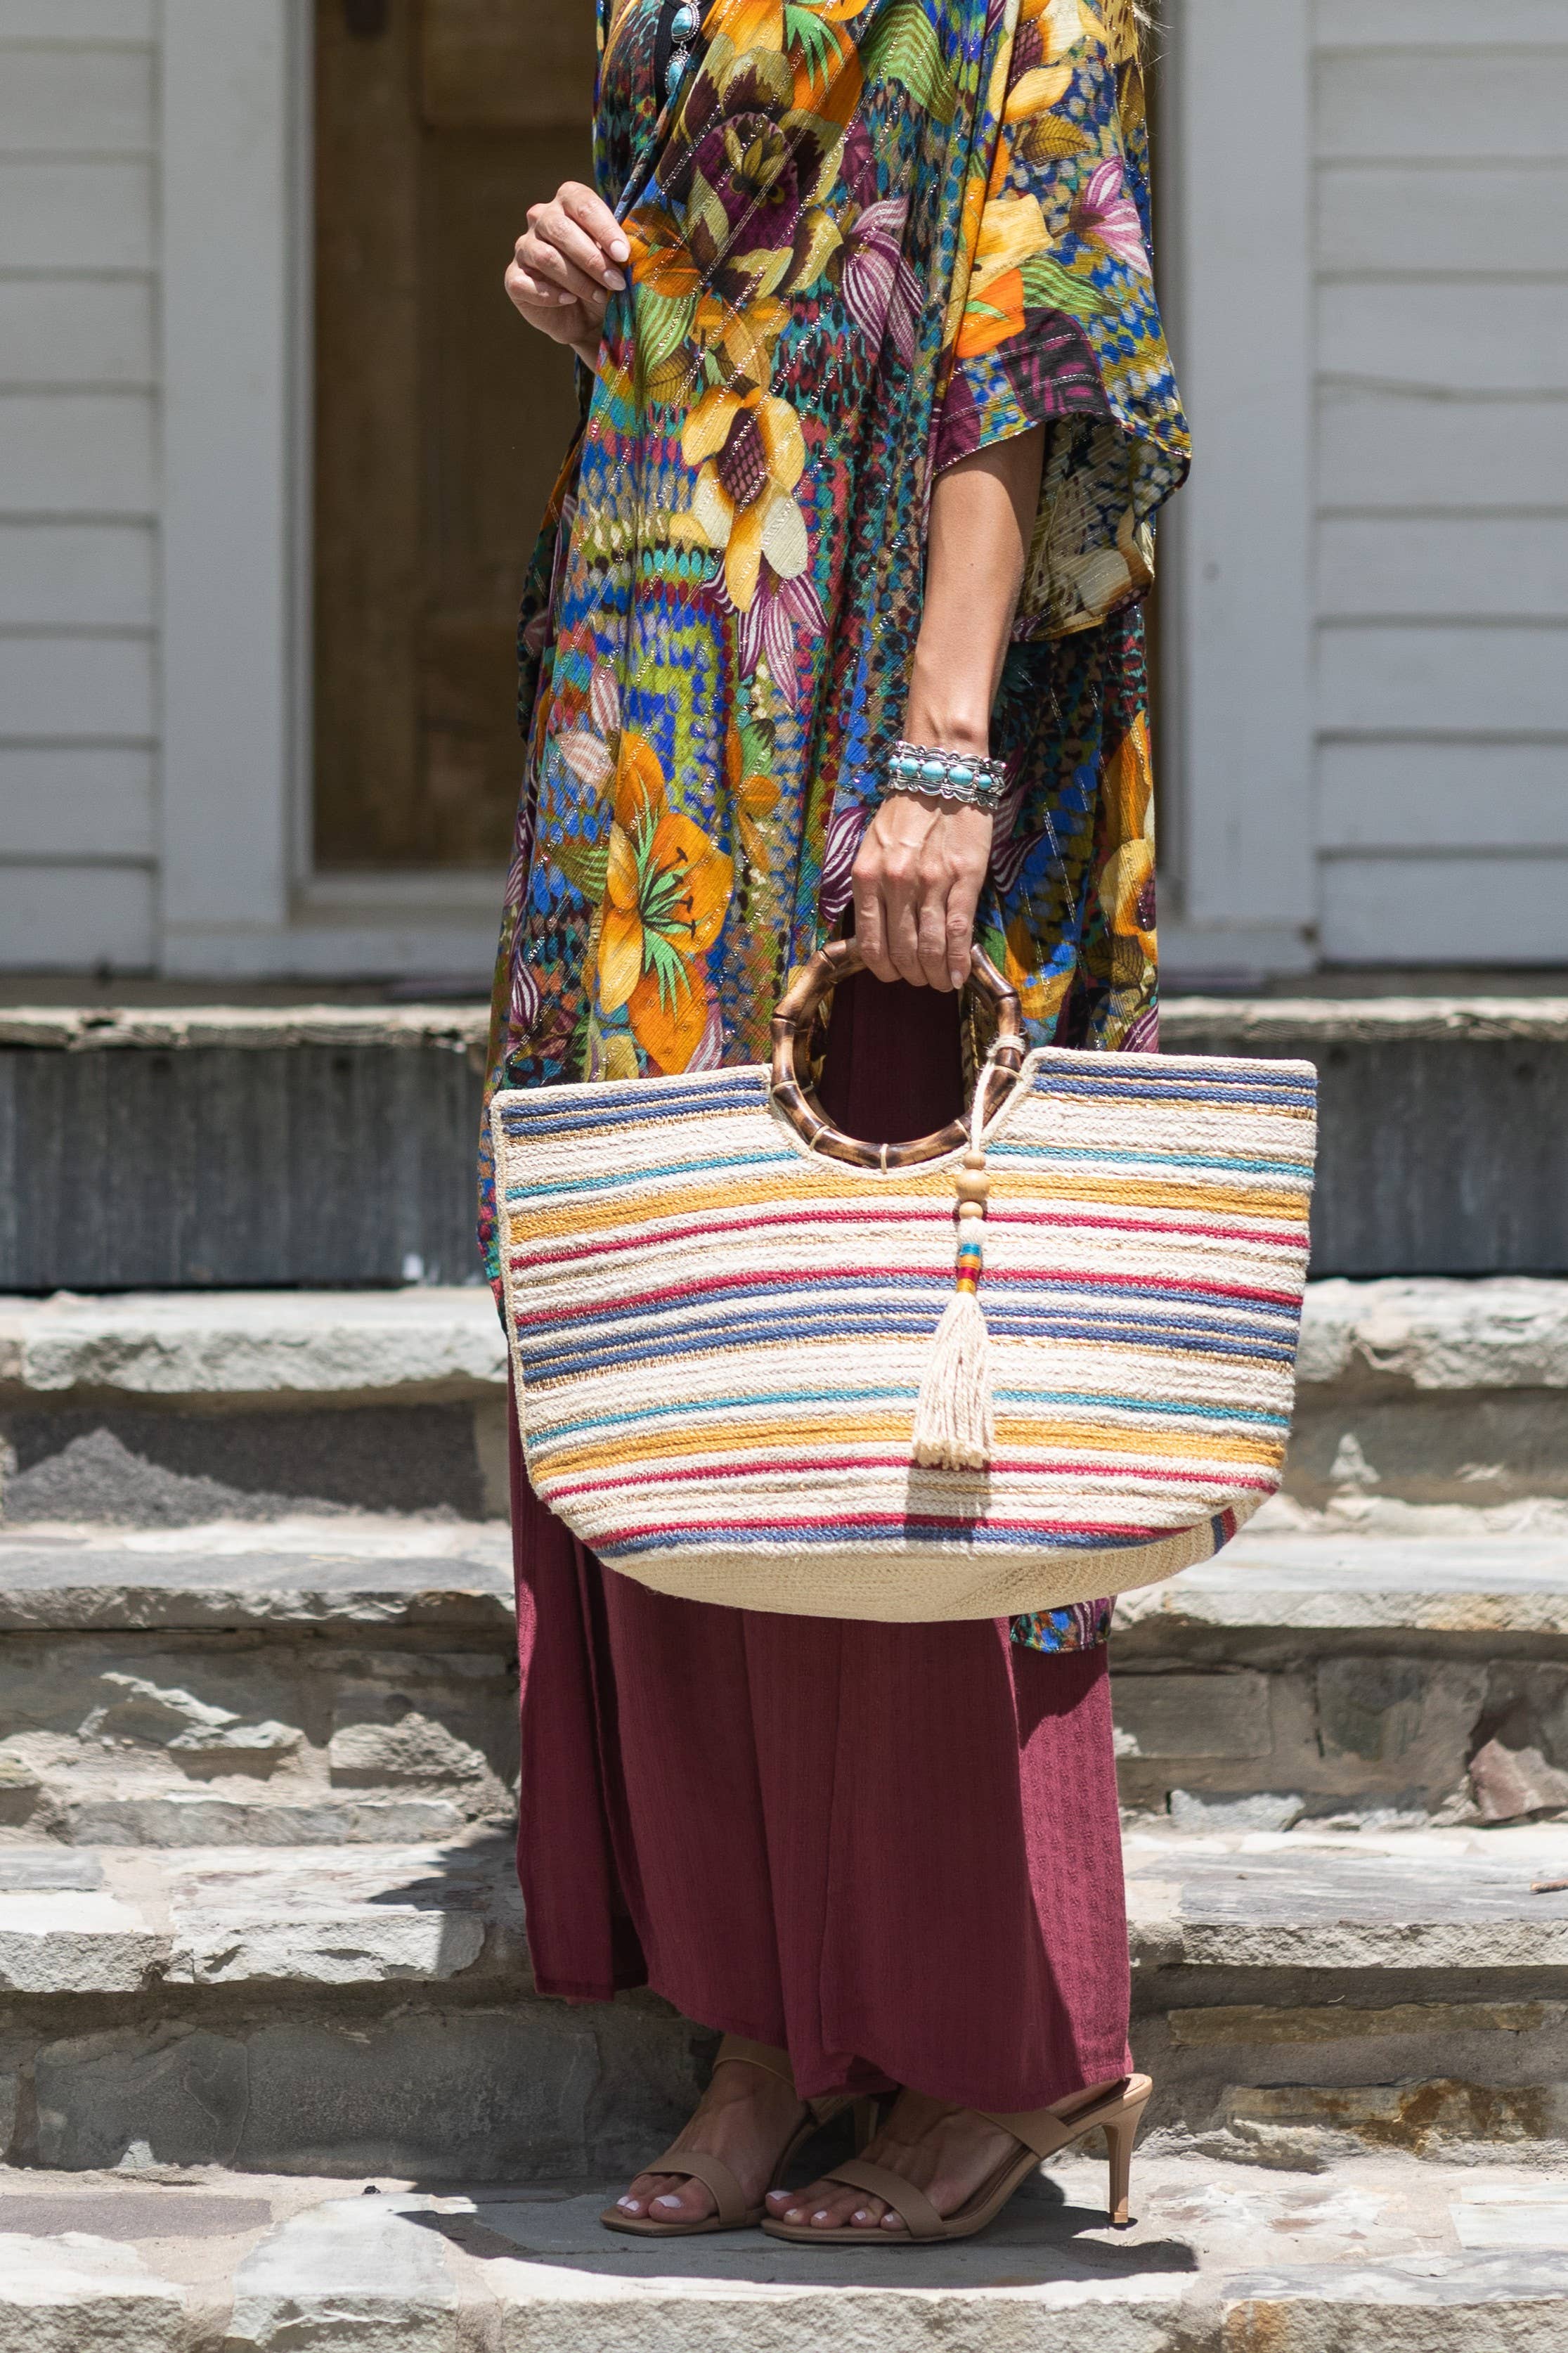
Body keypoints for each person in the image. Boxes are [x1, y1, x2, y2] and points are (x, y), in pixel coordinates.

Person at [479, 0, 1187, 2245]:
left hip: (876, 685)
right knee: (691, 1331)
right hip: (666, 667)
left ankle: (997, 2044)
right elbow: (709, 264)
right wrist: (596, 275)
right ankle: (761, 2026)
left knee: (913, 1365)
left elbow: (1035, 333)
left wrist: (951, 748)